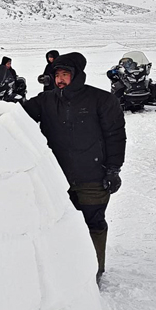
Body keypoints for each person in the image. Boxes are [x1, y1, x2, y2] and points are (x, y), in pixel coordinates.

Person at [23, 52, 126, 281]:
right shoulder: (46, 101)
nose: (60, 79)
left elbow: (115, 136)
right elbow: (17, 116)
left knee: (94, 223)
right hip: (57, 179)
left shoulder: (101, 100)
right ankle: (65, 271)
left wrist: (113, 169)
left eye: (65, 74)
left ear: (77, 76)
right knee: (60, 224)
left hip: (93, 177)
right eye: (57, 74)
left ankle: (93, 273)